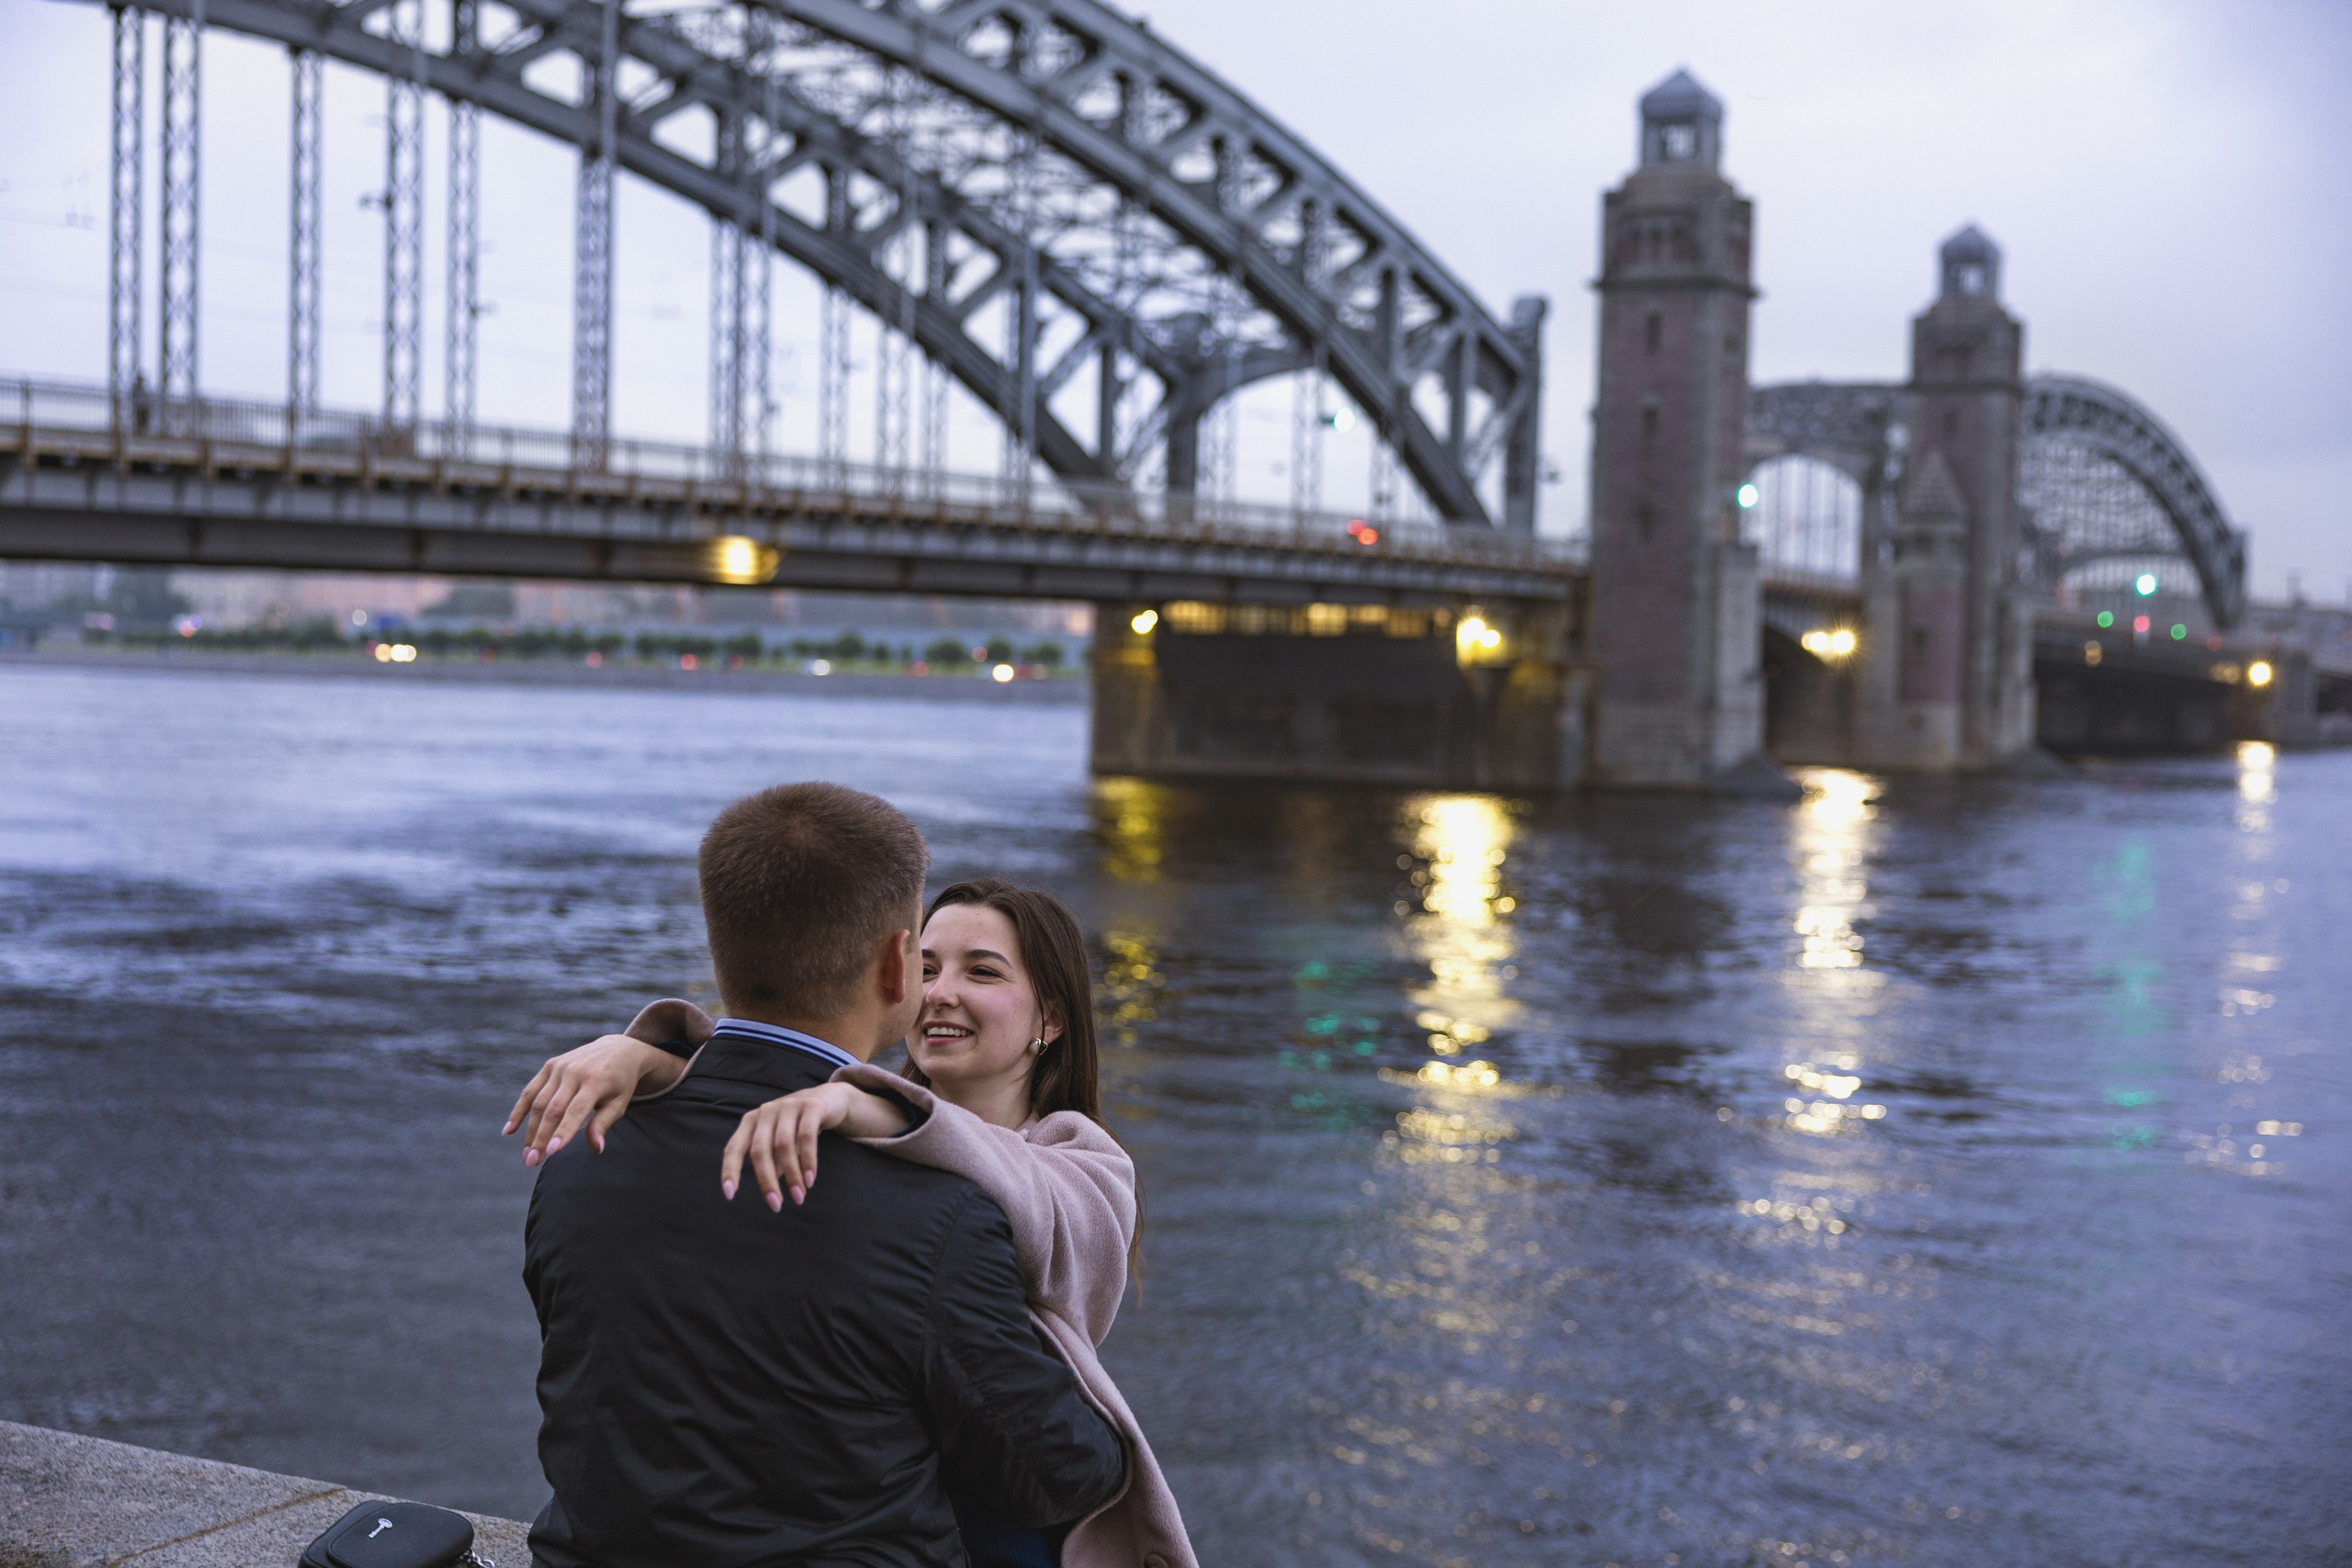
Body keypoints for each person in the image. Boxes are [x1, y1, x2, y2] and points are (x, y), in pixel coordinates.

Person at [518, 784, 1126, 1568]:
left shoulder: (581, 1151)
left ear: (720, 945)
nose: (942, 990)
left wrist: (656, 1050)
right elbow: (1062, 1472)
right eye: (930, 959)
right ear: (895, 963)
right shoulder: (935, 1212)